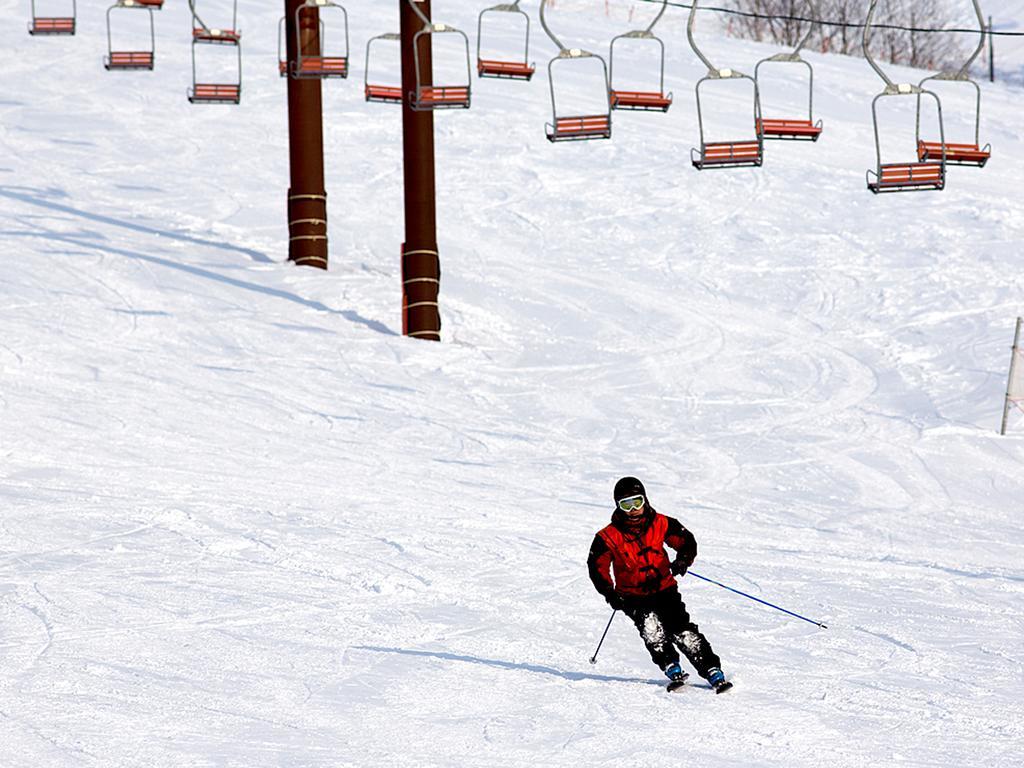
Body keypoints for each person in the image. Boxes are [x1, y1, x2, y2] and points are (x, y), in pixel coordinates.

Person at [587, 476, 732, 693]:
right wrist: (610, 594)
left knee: (681, 629)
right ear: (617, 506)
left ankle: (711, 669)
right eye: (626, 505)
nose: (633, 509)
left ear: (645, 499)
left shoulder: (661, 522)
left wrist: (683, 560)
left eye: (637, 501)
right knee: (651, 629)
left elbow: (687, 542)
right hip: (632, 595)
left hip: (664, 588)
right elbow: (596, 567)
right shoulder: (607, 536)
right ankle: (670, 665)